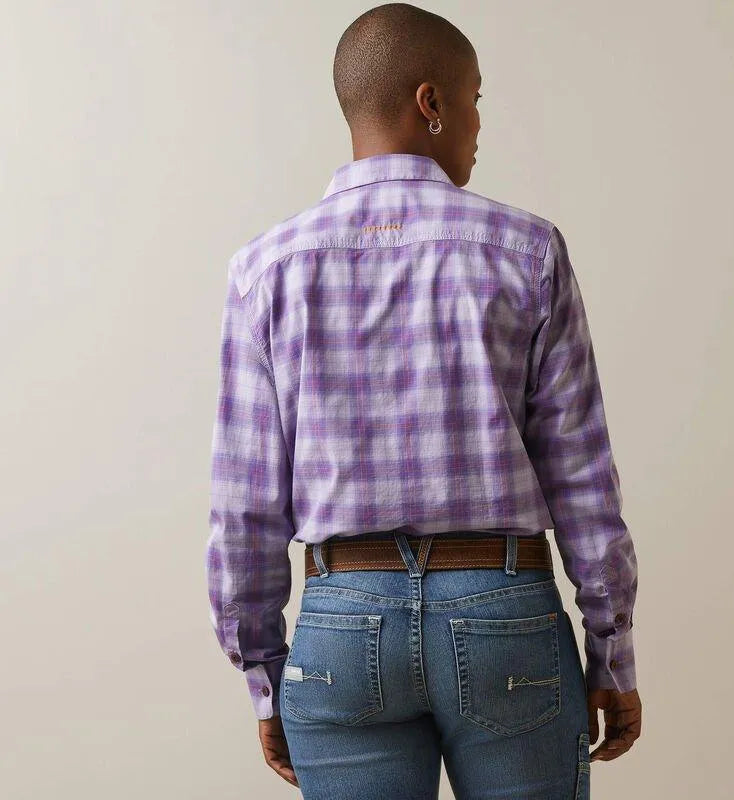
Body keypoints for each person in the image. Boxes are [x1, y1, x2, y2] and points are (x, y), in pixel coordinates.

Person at [206, 3, 641, 797]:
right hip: (504, 613)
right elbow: (582, 476)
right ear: (430, 102)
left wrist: (265, 676)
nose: (479, 124)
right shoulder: (527, 251)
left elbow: (244, 505)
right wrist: (611, 651)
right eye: (474, 99)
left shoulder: (265, 270)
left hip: (340, 623)